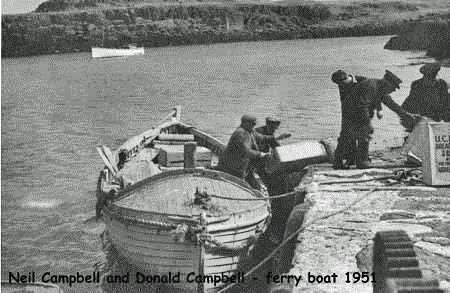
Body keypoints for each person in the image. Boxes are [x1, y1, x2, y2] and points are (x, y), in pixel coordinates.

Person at [340, 70, 414, 169]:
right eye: (393, 88)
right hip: (352, 111)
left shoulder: (380, 88)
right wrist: (367, 122)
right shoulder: (371, 86)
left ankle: (355, 159)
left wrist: (405, 114)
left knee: (357, 134)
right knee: (362, 133)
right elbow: (362, 105)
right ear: (387, 83)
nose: (394, 90)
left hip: (357, 110)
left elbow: (391, 103)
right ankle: (362, 161)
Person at [217, 114, 290, 188]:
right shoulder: (241, 133)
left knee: (254, 183)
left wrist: (278, 138)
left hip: (244, 165)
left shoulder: (250, 131)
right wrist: (261, 154)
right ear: (245, 123)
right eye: (253, 124)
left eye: (255, 124)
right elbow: (246, 151)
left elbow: (262, 138)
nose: (254, 126)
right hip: (233, 166)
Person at [331, 70, 382, 169]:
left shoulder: (363, 81)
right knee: (346, 136)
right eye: (338, 84)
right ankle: (345, 160)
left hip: (362, 112)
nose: (339, 85)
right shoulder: (342, 84)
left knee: (363, 136)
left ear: (345, 79)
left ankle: (361, 160)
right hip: (348, 112)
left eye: (340, 83)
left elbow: (375, 94)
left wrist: (378, 109)